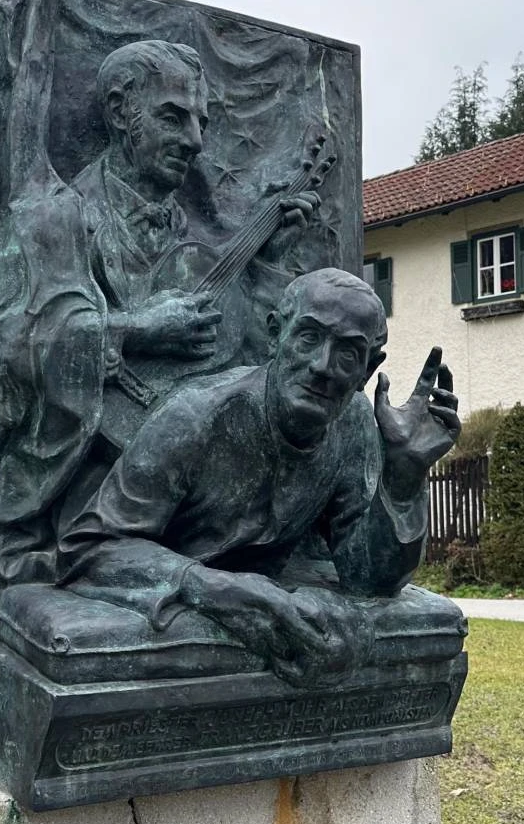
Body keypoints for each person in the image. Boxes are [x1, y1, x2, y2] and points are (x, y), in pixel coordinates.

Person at [0, 39, 320, 585]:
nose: (195, 140)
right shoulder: (57, 216)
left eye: (200, 121)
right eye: (173, 117)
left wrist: (270, 263)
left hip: (186, 483)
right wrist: (138, 329)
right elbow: (21, 343)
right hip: (78, 482)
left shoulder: (194, 241)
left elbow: (252, 359)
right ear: (119, 113)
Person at [59, 268, 461, 687]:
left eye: (347, 354)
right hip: (170, 584)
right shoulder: (194, 417)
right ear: (276, 334)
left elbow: (368, 579)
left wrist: (404, 474)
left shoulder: (355, 422)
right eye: (308, 337)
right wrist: (213, 587)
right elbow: (89, 547)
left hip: (268, 594)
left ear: (368, 369)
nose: (323, 367)